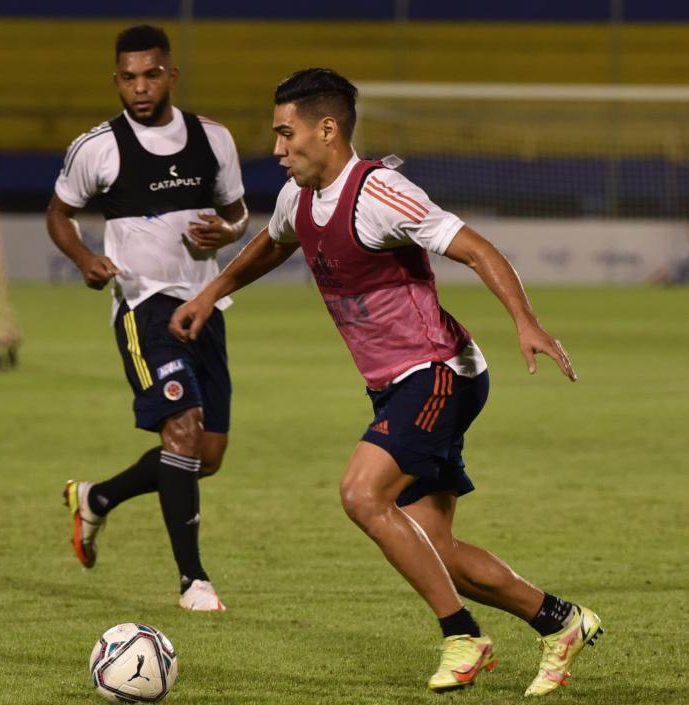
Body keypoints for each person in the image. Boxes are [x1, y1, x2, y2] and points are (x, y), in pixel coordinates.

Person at [170, 68, 602, 694]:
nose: (277, 149)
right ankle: (560, 622)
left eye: (286, 135)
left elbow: (477, 248)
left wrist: (525, 321)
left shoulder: (380, 192)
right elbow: (271, 242)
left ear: (328, 128)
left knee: (360, 494)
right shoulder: (299, 195)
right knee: (434, 546)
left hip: (437, 373)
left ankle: (462, 634)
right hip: (396, 384)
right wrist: (211, 292)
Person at [47, 25, 249, 611]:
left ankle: (97, 499)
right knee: (181, 429)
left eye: (151, 74)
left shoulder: (213, 139)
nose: (140, 87)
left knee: (204, 456)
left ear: (171, 75)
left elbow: (237, 213)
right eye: (129, 77)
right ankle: (194, 581)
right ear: (116, 79)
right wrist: (84, 257)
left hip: (204, 303)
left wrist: (228, 230)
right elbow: (59, 213)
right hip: (144, 305)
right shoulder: (98, 148)